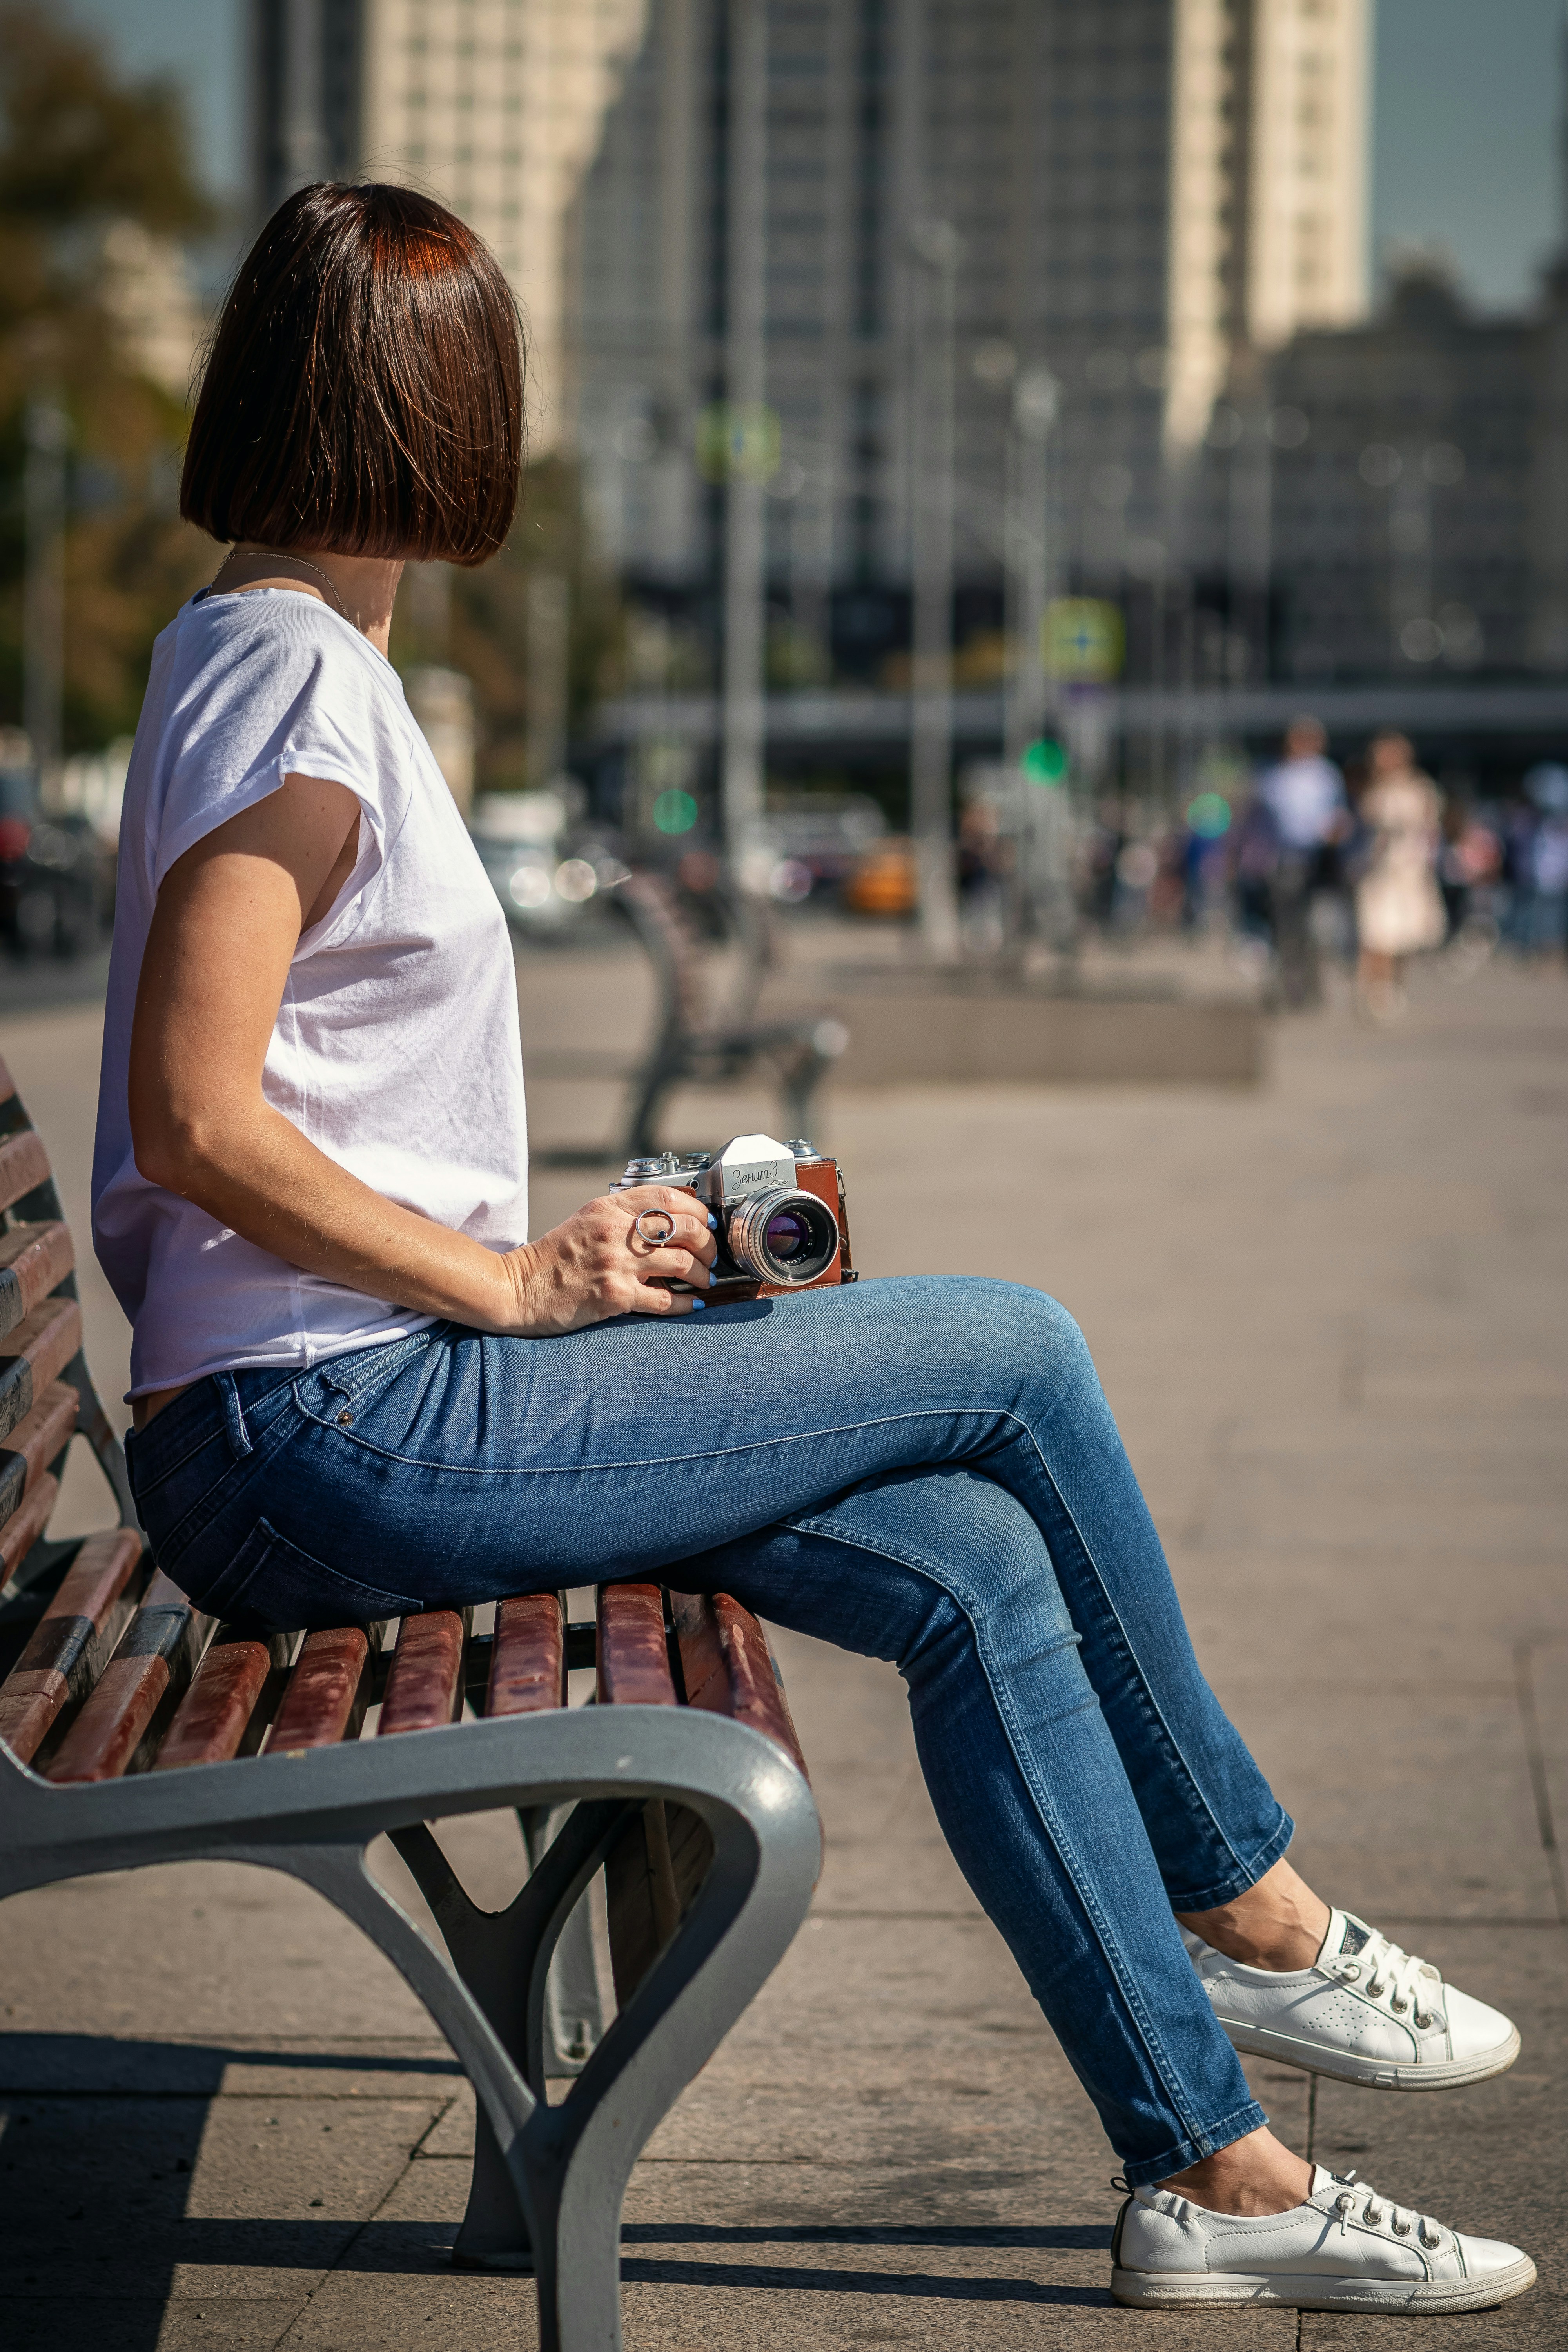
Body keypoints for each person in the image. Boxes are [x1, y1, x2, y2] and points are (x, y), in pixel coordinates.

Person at [92, 185, 1534, 2317]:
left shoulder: (284, 649)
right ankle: (1257, 1915)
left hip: (347, 1406)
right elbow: (190, 1114)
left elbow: (305, 1101)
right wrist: (506, 1285)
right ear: (440, 405)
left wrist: (586, 1239)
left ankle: (1208, 2179)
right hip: (331, 1428)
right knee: (1016, 1350)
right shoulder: (297, 680)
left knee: (976, 1557)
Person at [1255, 717, 1347, 1008]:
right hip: (1286, 860)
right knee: (1286, 929)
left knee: (1317, 931)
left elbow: (1338, 817)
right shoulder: (1275, 778)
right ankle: (1289, 987)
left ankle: (1313, 990)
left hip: (1318, 861)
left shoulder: (1327, 776)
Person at [1354, 735, 1446, 1022]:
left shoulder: (1421, 790)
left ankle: (1393, 988)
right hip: (1380, 874)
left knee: (1405, 937)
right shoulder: (1373, 791)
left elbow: (1430, 830)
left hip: (1410, 872)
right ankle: (1375, 990)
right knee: (1377, 934)